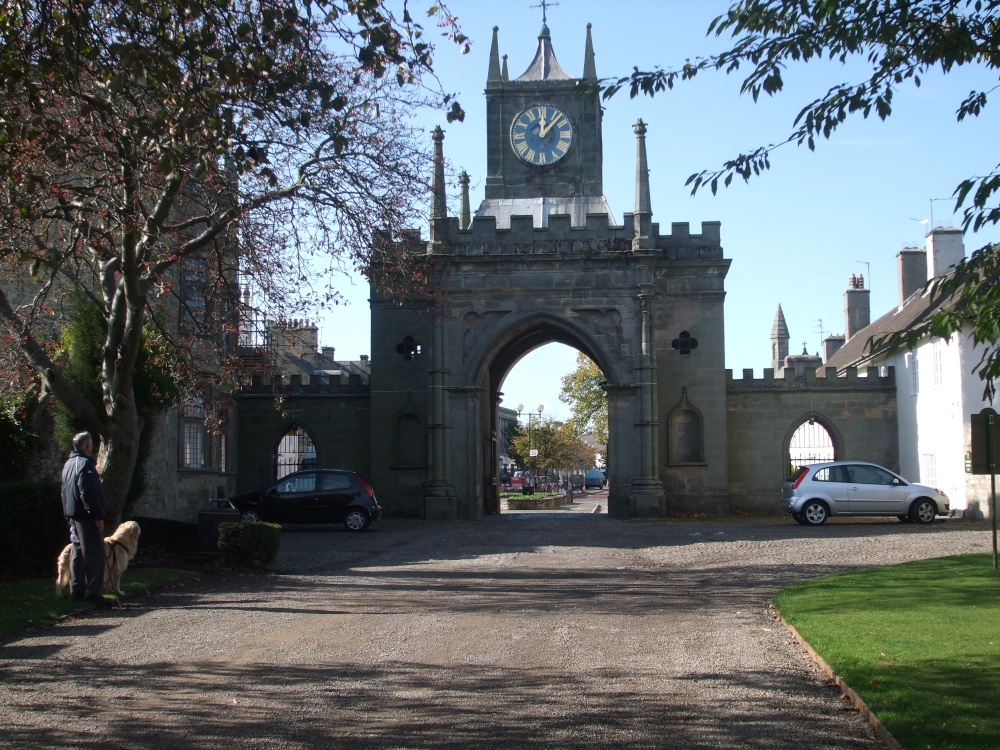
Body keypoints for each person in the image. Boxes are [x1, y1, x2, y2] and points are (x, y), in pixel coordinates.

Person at [60, 431, 110, 607]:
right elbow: (87, 492)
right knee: (93, 553)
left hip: (73, 515)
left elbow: (64, 492)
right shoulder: (85, 465)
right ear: (87, 446)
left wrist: (67, 514)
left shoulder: (68, 464)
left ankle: (77, 590)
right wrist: (97, 515)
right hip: (86, 516)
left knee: (77, 552)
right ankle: (93, 592)